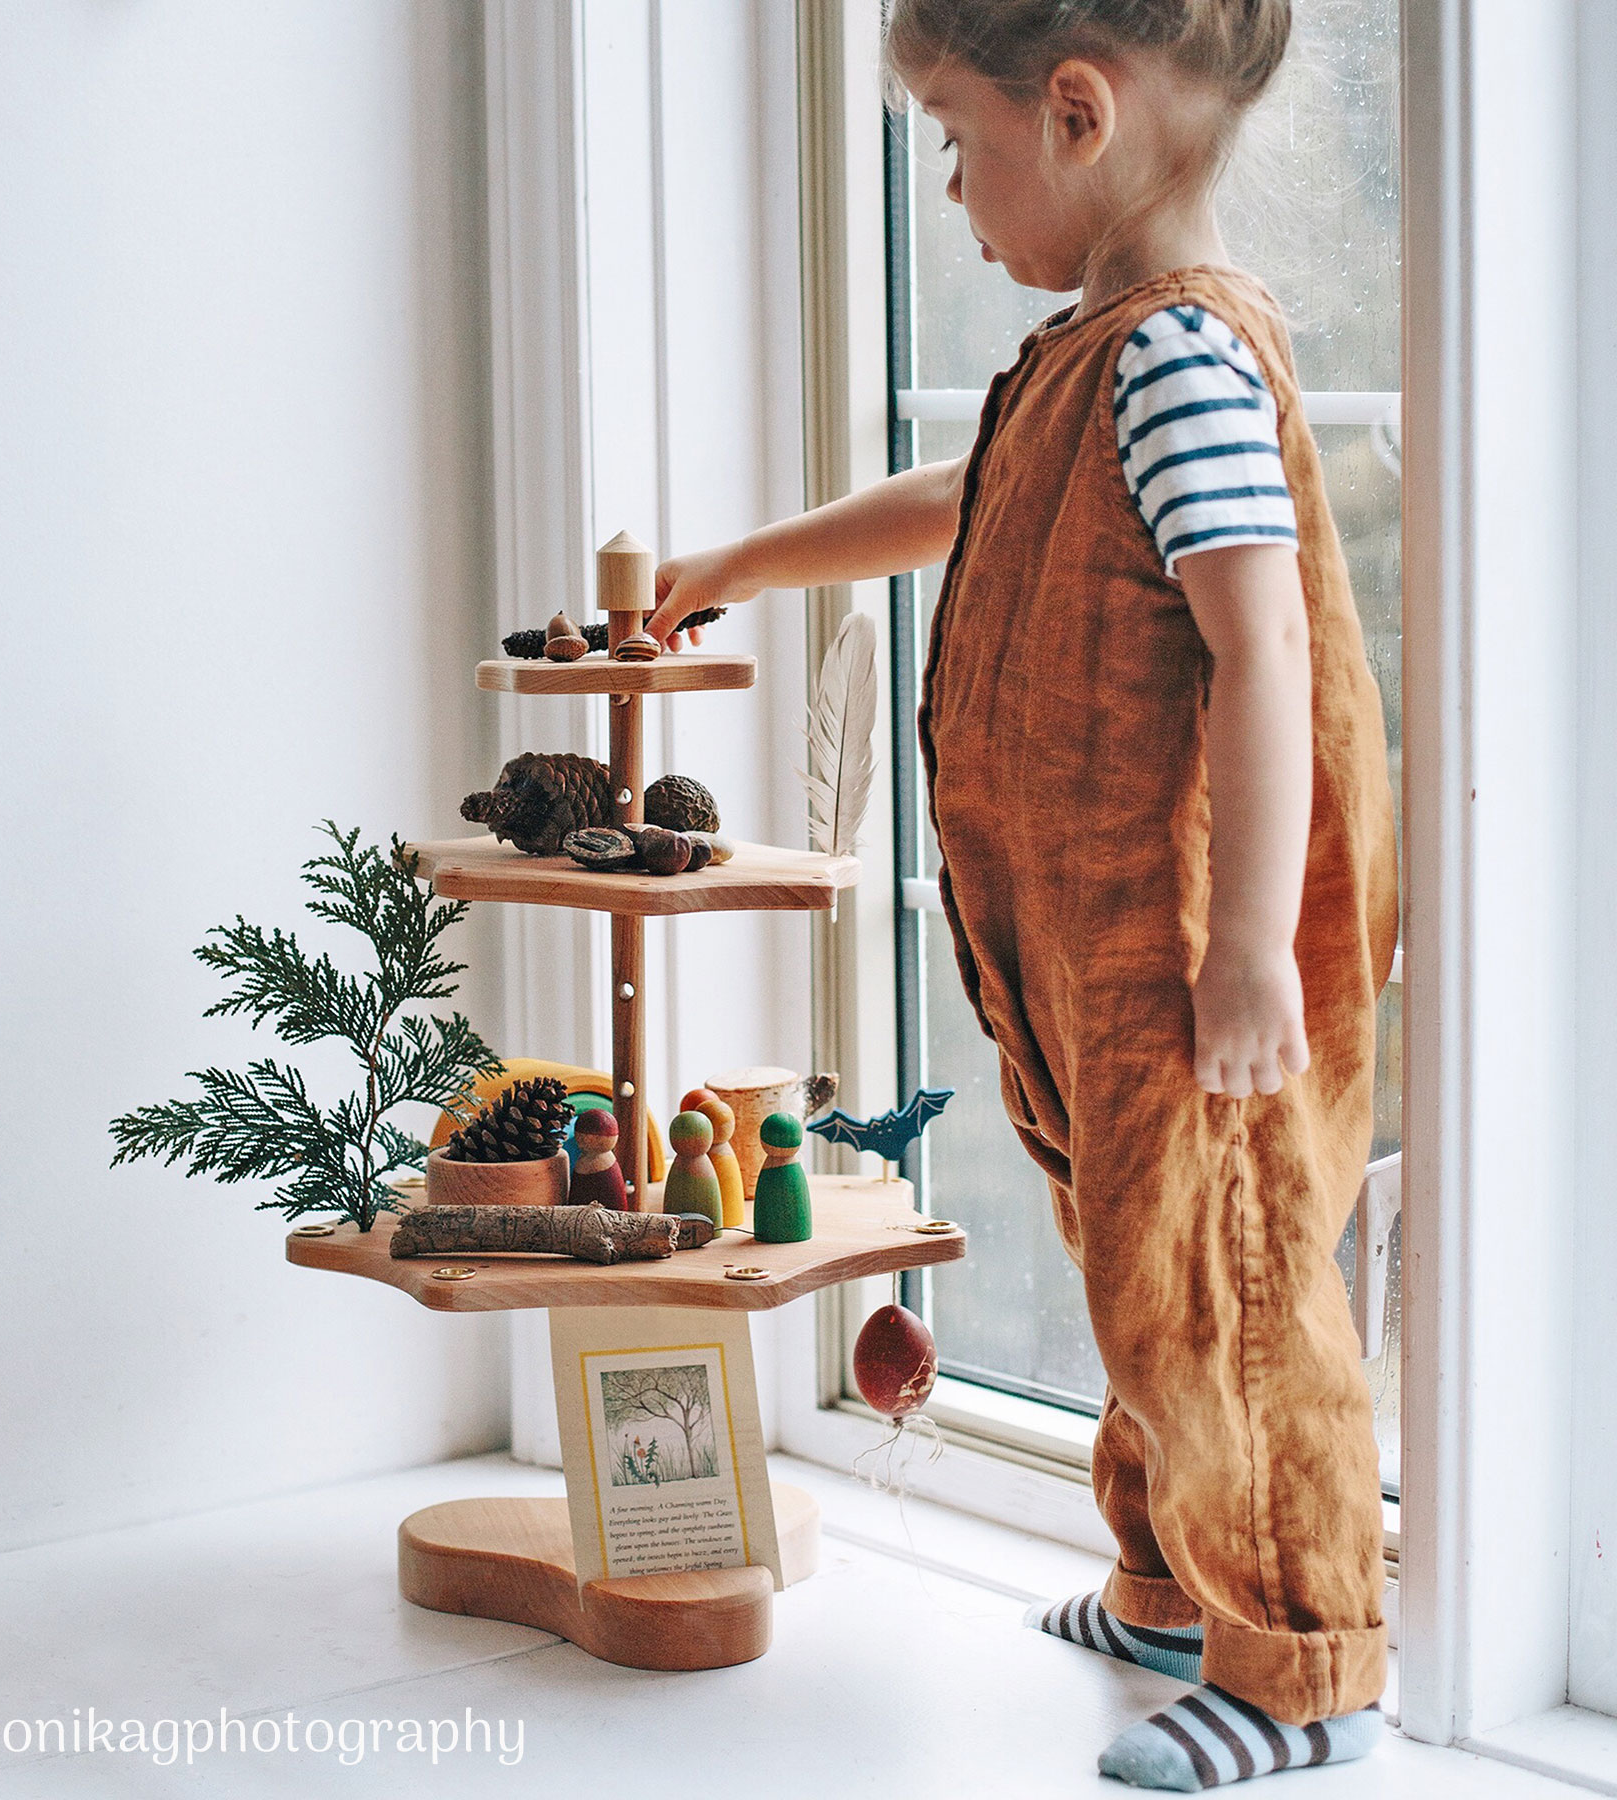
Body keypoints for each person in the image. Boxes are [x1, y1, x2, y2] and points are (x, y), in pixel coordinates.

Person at [646, 2, 1397, 1788]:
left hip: (1176, 950)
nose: (957, 191)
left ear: (1075, 113)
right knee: (1132, 1262)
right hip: (1080, 944)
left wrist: (1240, 952)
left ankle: (1303, 1666)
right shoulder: (1095, 358)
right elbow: (969, 503)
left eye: (953, 139)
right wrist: (749, 560)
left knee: (1221, 1277)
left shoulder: (1180, 362)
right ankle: (1161, 1581)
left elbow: (1263, 646)